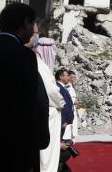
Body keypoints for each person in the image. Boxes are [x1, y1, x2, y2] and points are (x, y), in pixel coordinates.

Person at [0, 2, 50, 171]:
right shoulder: (23, 55)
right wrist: (41, 138)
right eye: (33, 23)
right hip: (15, 143)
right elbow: (35, 101)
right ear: (26, 22)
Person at [32, 32, 65, 172]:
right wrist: (62, 103)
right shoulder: (41, 66)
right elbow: (51, 93)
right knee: (47, 158)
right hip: (49, 116)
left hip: (44, 114)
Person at [56, 69, 74, 138]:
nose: (68, 78)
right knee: (58, 139)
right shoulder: (58, 87)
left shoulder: (62, 87)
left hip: (65, 121)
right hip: (62, 121)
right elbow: (60, 105)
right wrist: (63, 120)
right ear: (61, 77)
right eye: (67, 76)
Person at [63, 70, 79, 142]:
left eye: (74, 77)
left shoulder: (72, 86)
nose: (74, 79)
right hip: (68, 110)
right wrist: (74, 101)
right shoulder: (67, 87)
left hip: (73, 110)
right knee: (68, 129)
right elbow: (66, 98)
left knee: (72, 129)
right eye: (72, 77)